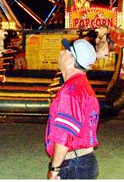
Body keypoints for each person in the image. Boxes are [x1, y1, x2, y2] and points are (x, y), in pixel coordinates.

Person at [45, 39, 100, 179]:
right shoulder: (83, 87)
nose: (61, 53)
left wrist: (54, 168)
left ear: (70, 59)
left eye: (65, 50)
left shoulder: (72, 90)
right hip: (83, 161)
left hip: (73, 164)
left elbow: (65, 134)